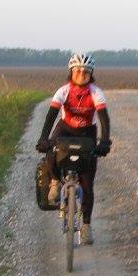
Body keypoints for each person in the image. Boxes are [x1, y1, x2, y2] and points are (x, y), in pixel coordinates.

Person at [36, 53, 112, 245]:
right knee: (51, 151)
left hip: (87, 132)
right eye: (77, 71)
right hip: (65, 128)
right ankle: (55, 181)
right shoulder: (63, 91)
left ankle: (86, 226)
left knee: (87, 183)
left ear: (91, 74)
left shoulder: (95, 93)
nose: (81, 74)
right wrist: (43, 138)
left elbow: (104, 118)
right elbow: (51, 116)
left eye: (86, 71)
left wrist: (104, 142)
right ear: (71, 72)